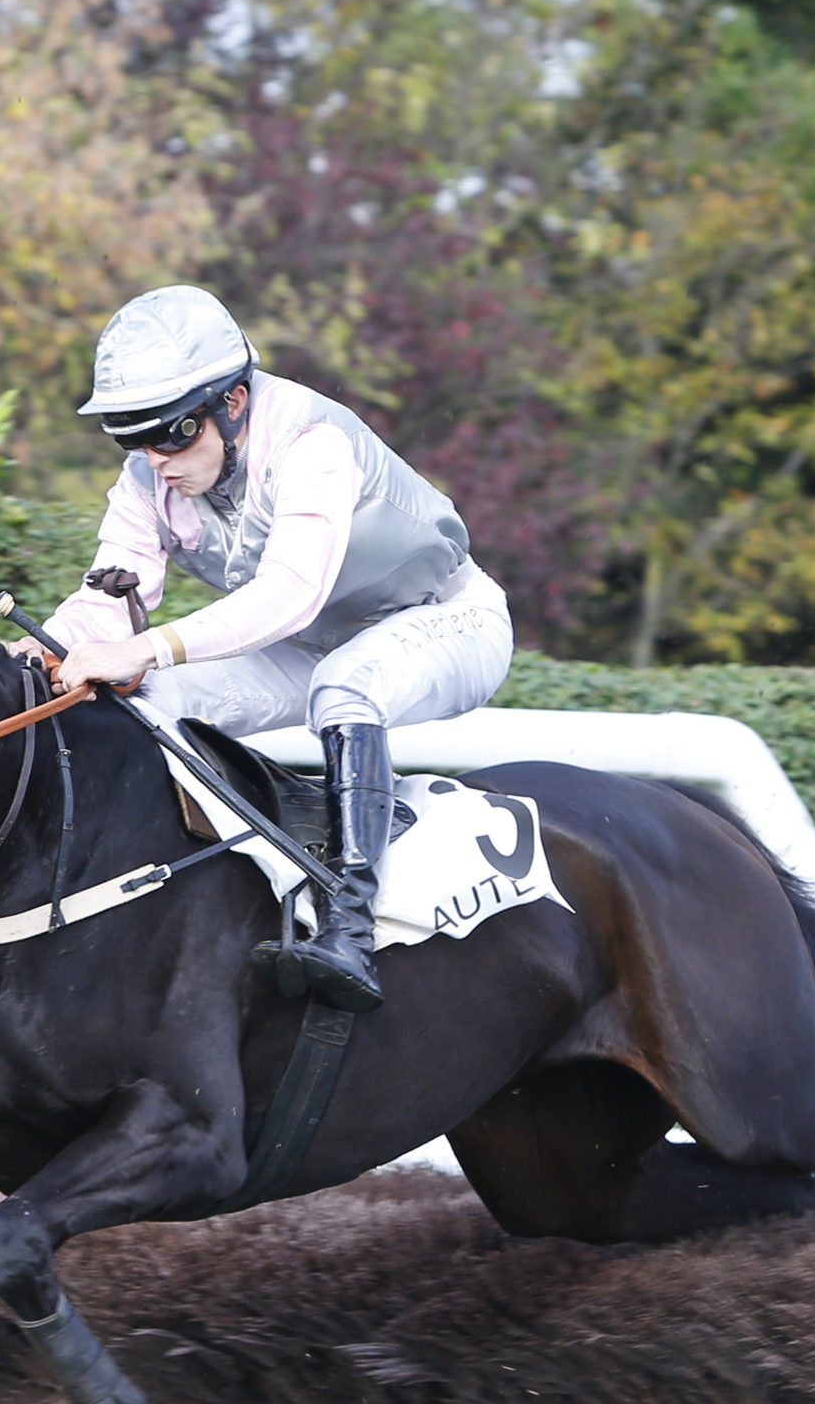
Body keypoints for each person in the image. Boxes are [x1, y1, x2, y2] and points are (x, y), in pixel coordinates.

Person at [30, 285, 513, 1014]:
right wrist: (36, 652)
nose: (156, 459)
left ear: (233, 402)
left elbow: (291, 593)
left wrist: (147, 648)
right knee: (154, 702)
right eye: (134, 438)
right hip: (312, 645)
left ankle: (351, 927)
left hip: (450, 620)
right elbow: (107, 597)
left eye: (172, 433)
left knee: (345, 686)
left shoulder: (311, 443)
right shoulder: (147, 479)